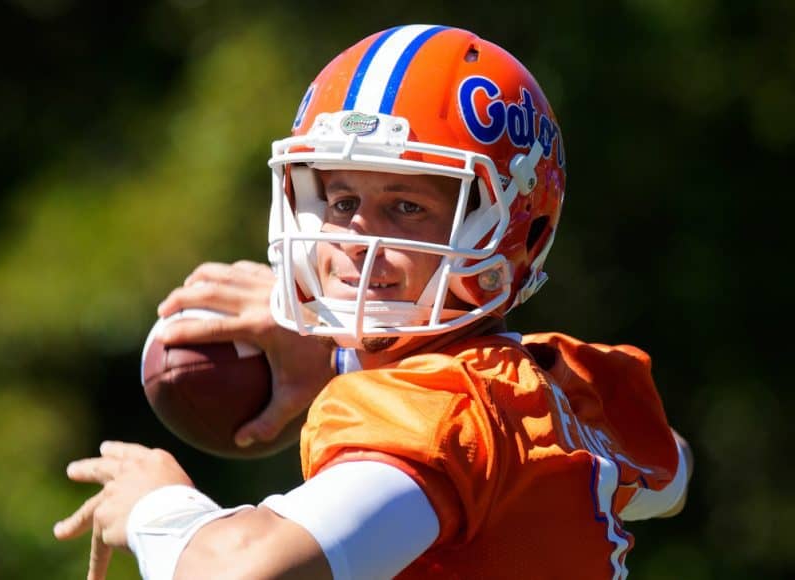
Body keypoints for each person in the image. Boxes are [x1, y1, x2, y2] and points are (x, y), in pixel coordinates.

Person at [54, 24, 693, 580]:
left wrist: (157, 509)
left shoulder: (436, 410)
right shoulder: (554, 382)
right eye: (340, 201)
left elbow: (238, 573)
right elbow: (673, 472)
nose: (358, 238)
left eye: (406, 206)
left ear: (510, 229)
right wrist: (342, 363)